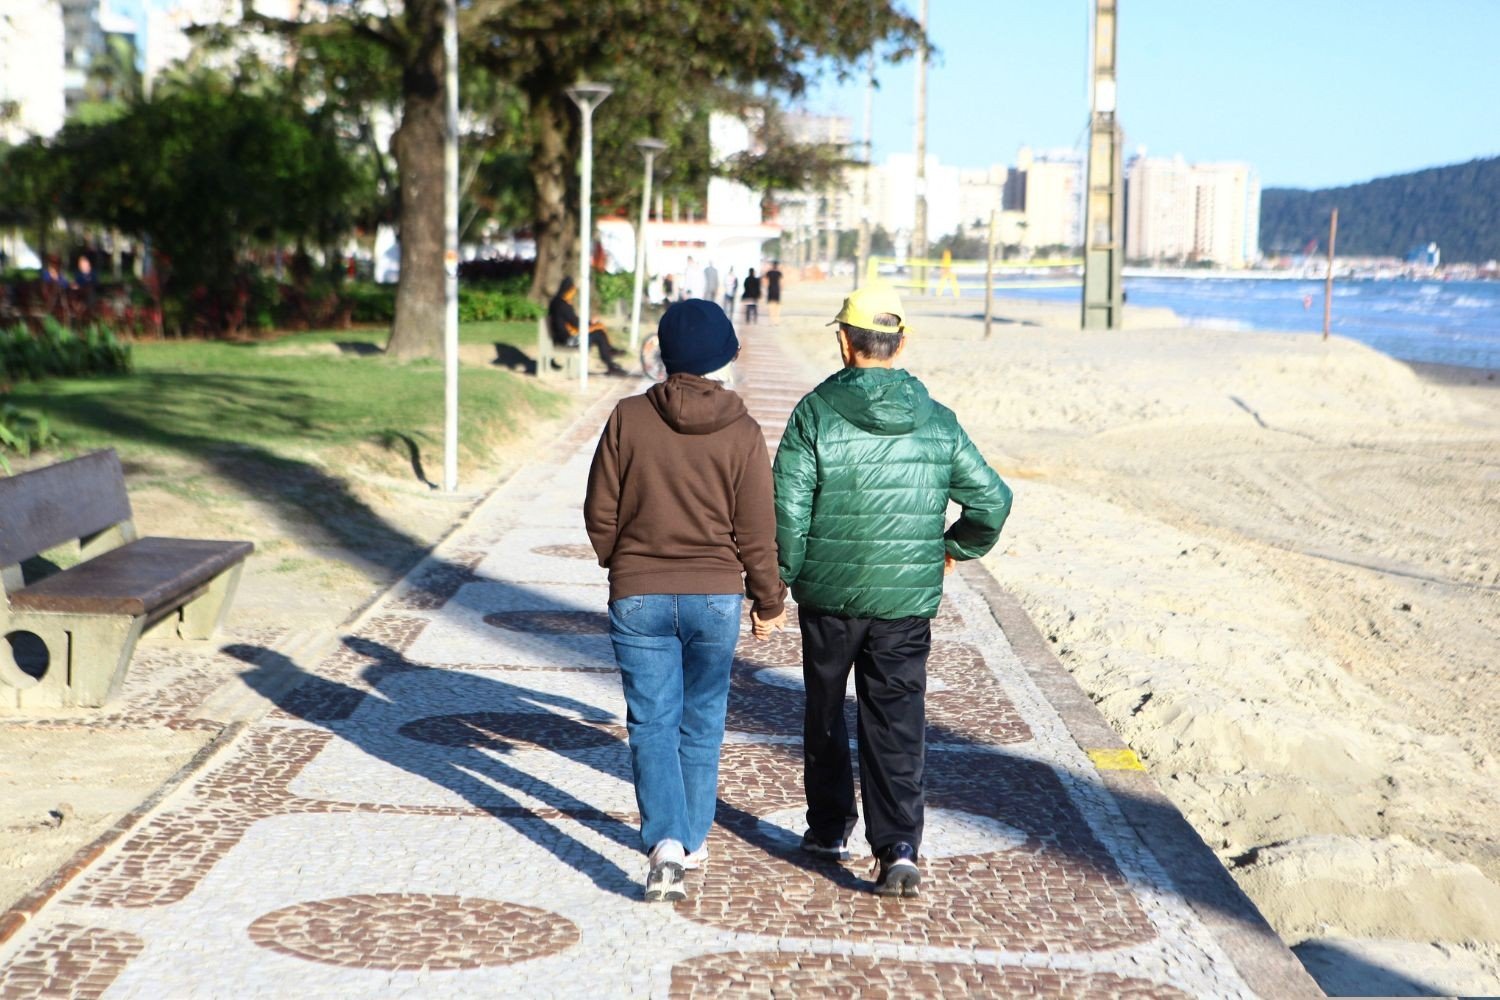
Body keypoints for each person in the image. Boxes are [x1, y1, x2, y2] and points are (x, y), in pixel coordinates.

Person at [767, 282, 1012, 898]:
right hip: (905, 602)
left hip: (828, 596)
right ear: (899, 345)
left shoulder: (814, 413)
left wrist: (778, 580)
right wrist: (952, 549)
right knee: (897, 720)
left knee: (825, 712)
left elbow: (788, 512)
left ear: (845, 342)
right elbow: (992, 499)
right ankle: (898, 845)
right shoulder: (937, 420)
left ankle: (827, 829)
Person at [585, 299, 786, 902]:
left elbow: (600, 510)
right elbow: (757, 530)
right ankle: (693, 841)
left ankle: (665, 841)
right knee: (702, 721)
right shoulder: (744, 430)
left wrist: (622, 563)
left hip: (638, 595)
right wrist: (769, 601)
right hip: (718, 598)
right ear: (724, 357)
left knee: (651, 721)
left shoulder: (627, 417)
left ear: (665, 355)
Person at [548, 276, 629, 376]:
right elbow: (577, 324)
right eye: (573, 291)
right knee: (599, 334)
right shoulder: (563, 305)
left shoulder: (556, 302)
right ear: (568, 290)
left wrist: (591, 323)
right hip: (567, 340)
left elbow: (573, 321)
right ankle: (610, 361)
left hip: (562, 337)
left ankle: (610, 357)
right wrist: (591, 324)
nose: (573, 294)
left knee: (599, 331)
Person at [764, 260, 783, 325]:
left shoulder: (769, 272)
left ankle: (771, 321)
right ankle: (776, 321)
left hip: (770, 290)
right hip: (777, 290)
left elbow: (765, 280)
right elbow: (781, 282)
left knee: (770, 307)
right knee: (777, 307)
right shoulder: (779, 273)